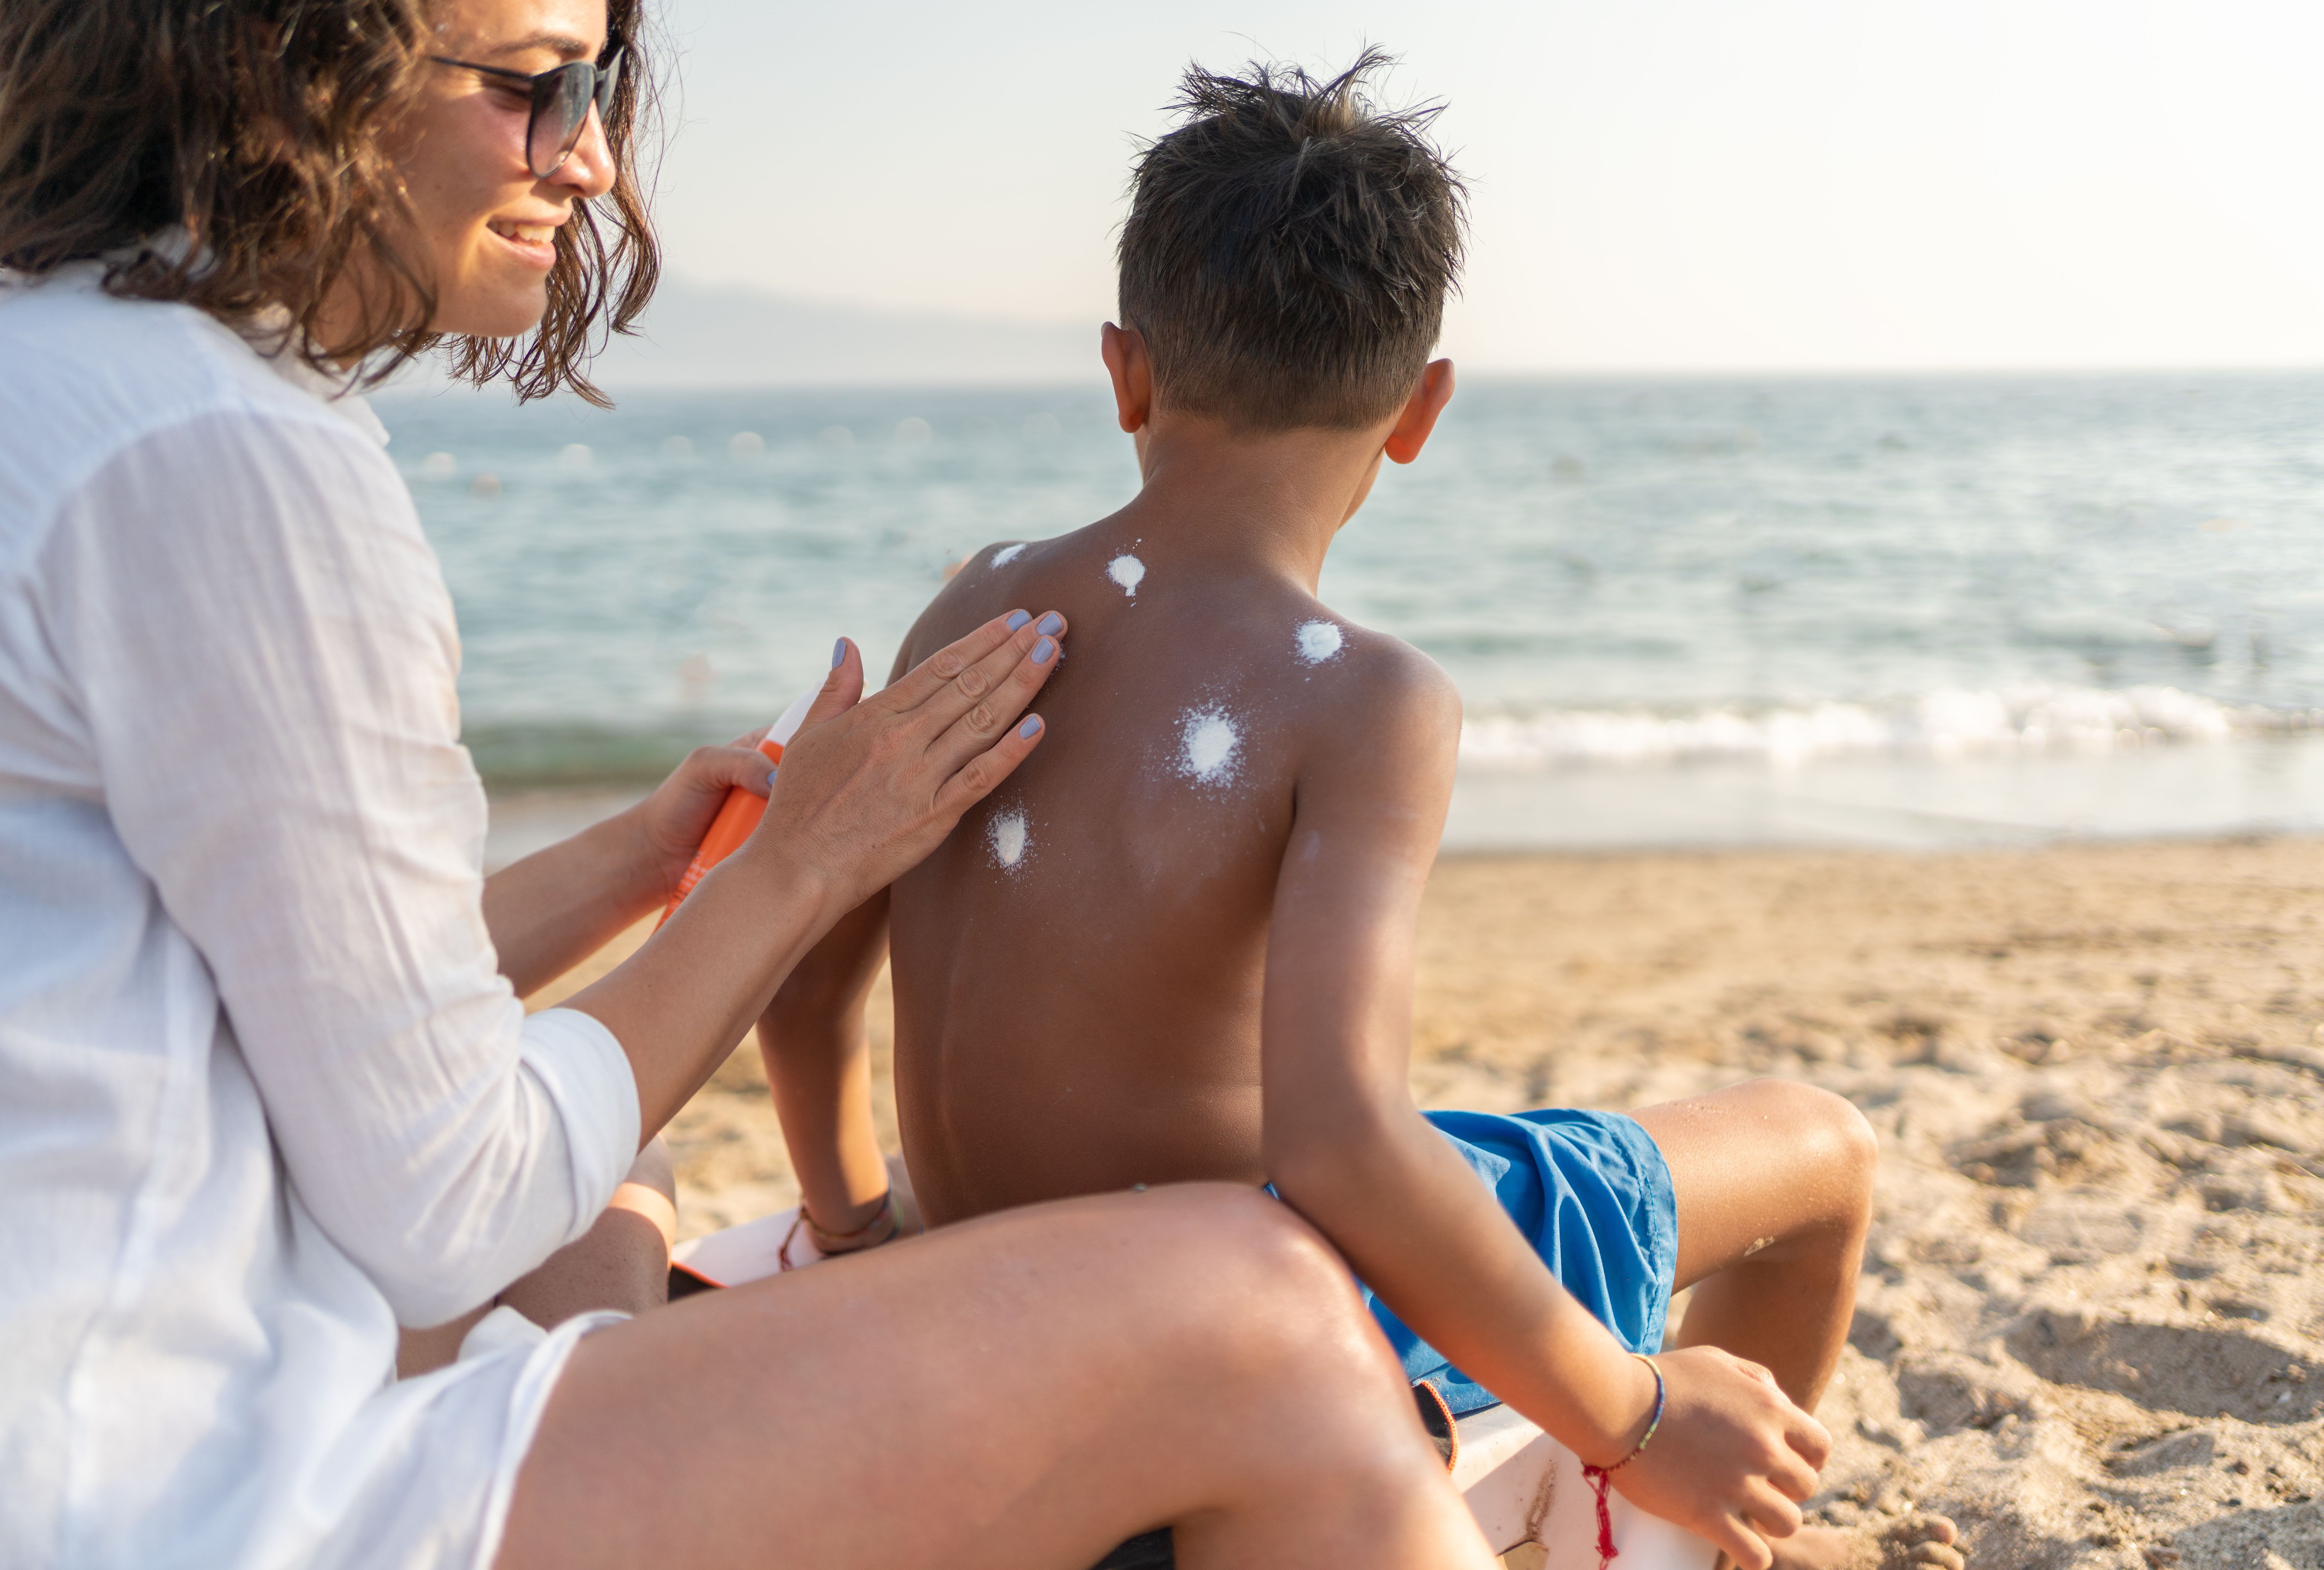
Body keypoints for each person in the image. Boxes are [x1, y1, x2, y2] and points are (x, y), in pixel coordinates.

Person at [0, 5, 1503, 1569]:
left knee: (616, 1190)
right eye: (536, 85)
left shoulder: (60, 370)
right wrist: (796, 870)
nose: (589, 153)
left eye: (599, 87)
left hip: (108, 1385)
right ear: (279, 65)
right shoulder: (218, 453)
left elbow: (287, 987)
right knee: (1255, 1303)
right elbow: (448, 1198)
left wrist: (644, 868)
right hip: (185, 1489)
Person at [758, 57, 1966, 1570]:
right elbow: (1340, 1145)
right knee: (1822, 1152)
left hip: (980, 1260)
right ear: (1421, 412)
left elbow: (809, 985)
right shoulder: (1365, 699)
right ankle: (1687, 1514)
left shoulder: (974, 608)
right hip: (1216, 1313)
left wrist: (866, 1236)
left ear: (1126, 370)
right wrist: (1640, 1410)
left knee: (1492, 1155)